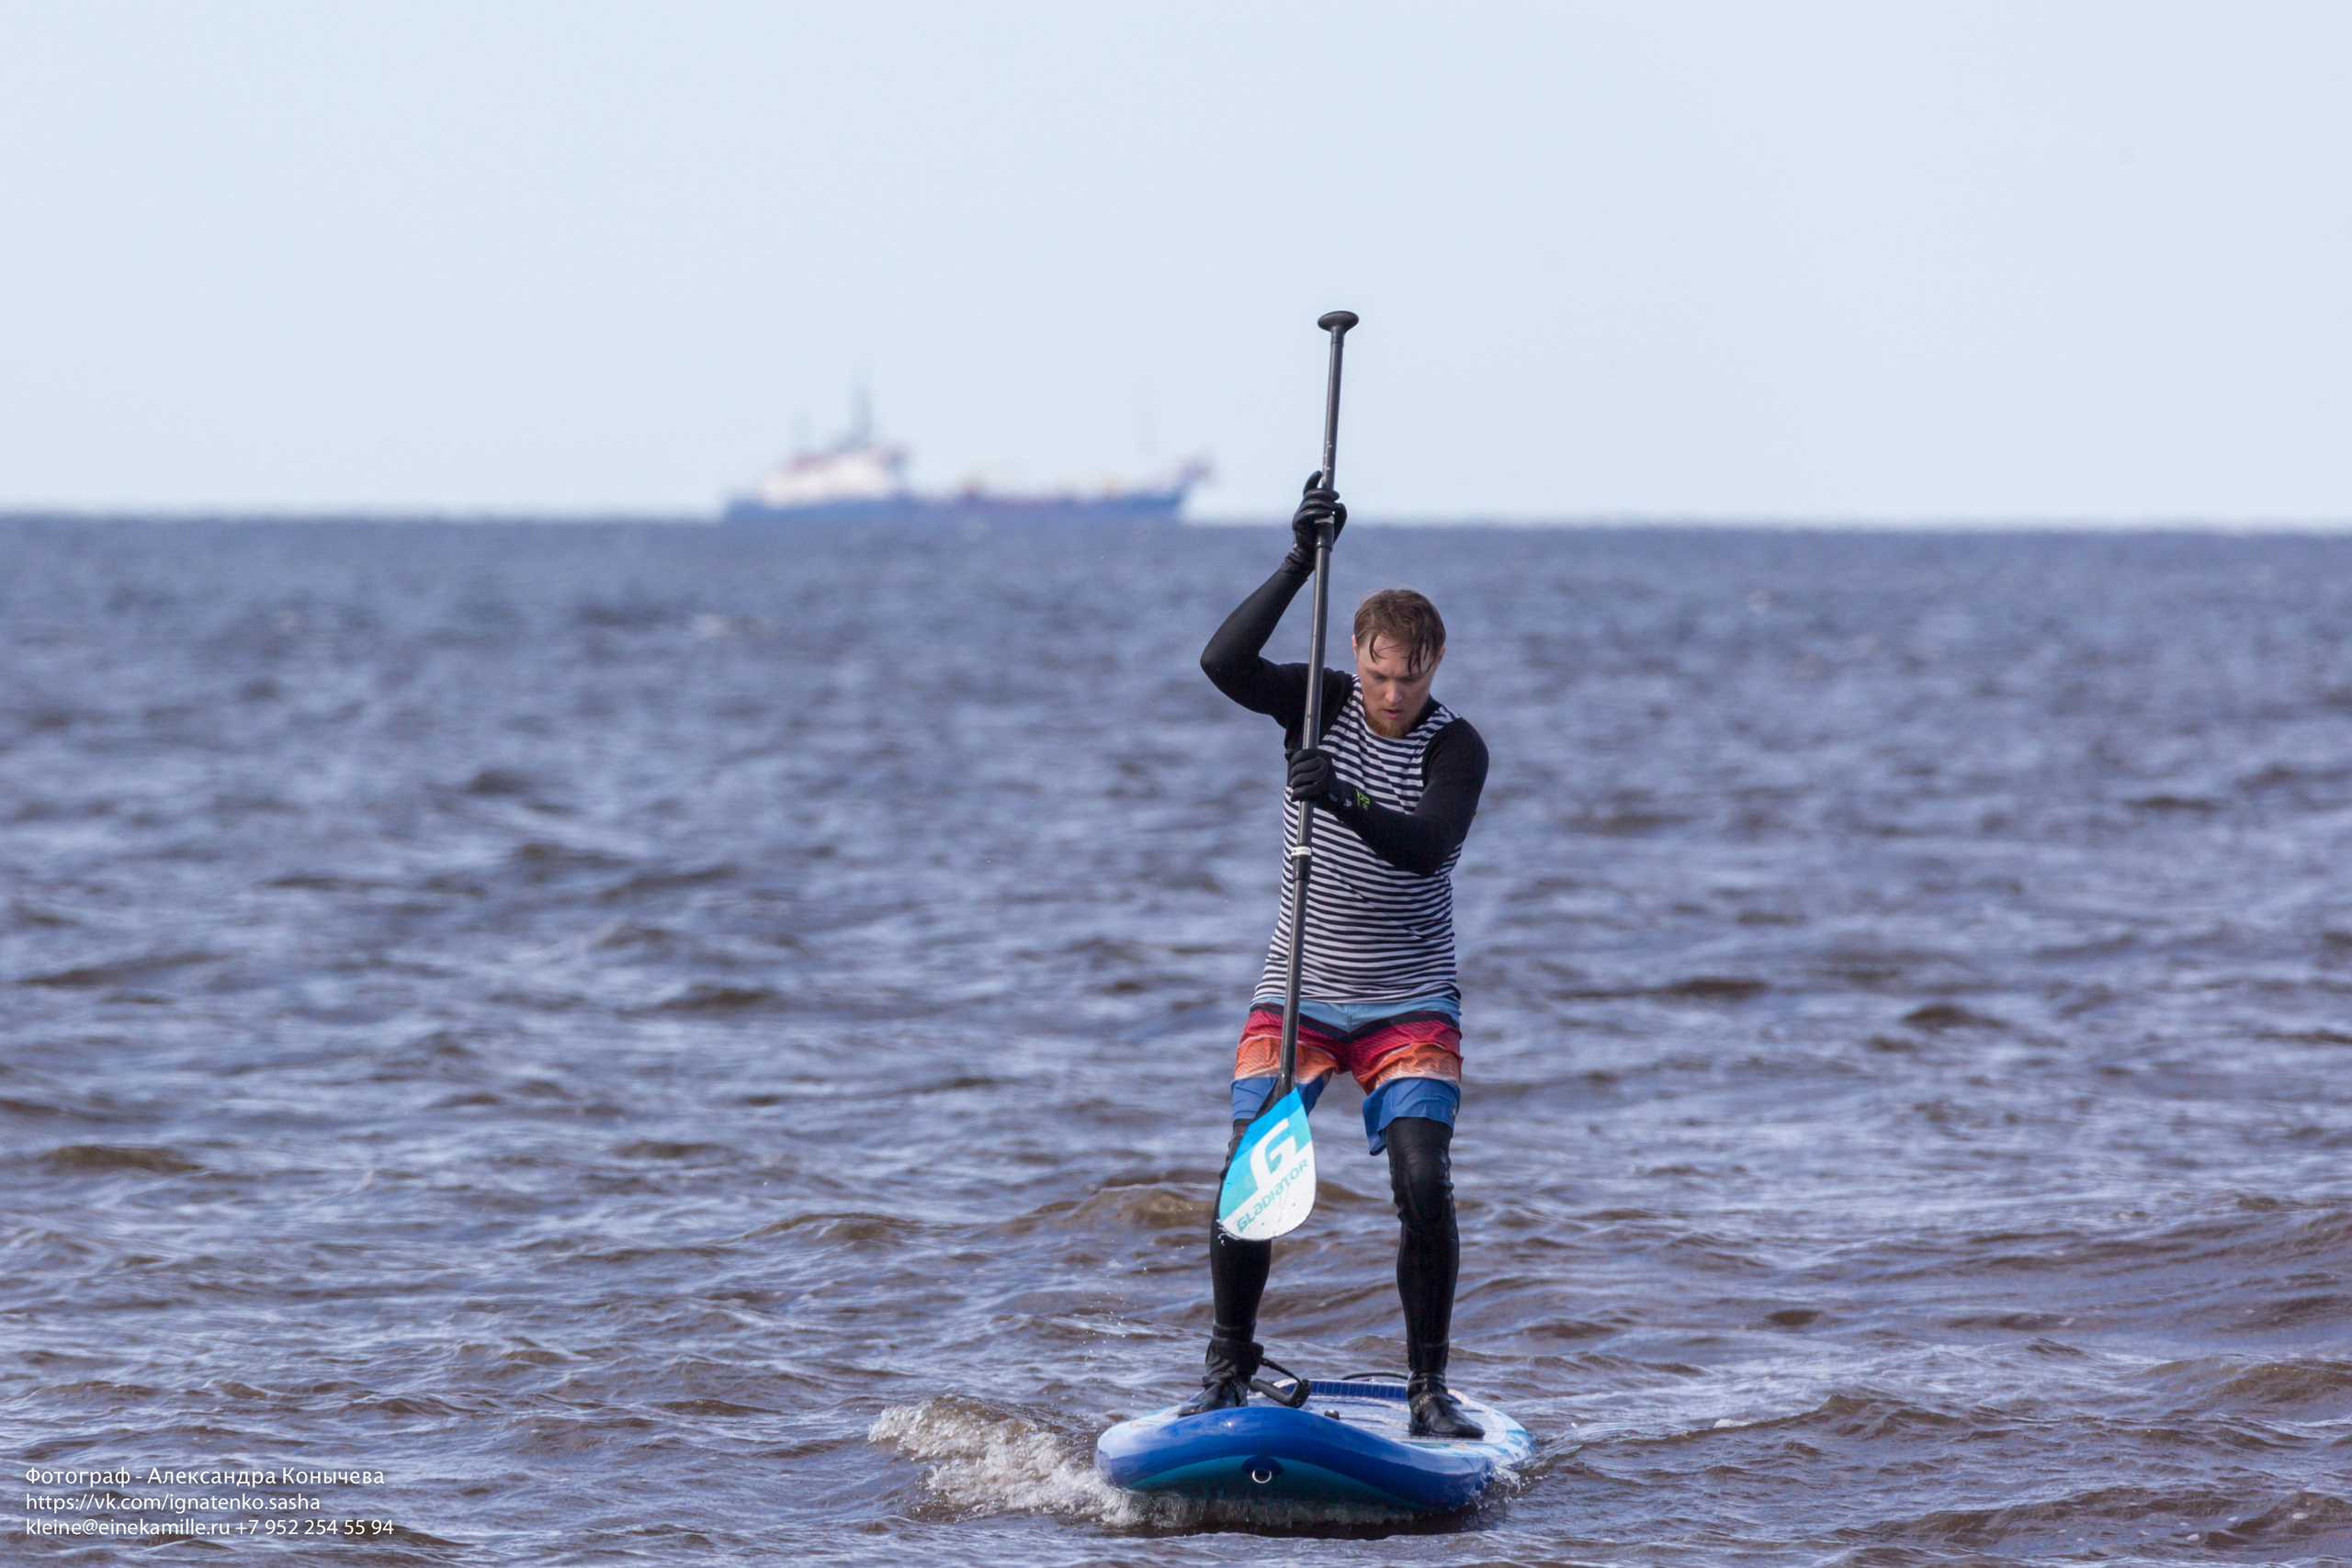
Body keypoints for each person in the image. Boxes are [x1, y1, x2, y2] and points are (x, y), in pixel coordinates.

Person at [1182, 474, 1491, 1438]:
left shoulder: (1457, 747)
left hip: (1407, 1002)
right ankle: (1227, 1367)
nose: (1394, 696)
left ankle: (1427, 1390)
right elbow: (1221, 663)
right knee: (1250, 1166)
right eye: (1382, 675)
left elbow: (1426, 843)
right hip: (1301, 991)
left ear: (1435, 666)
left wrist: (1341, 798)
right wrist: (1297, 562)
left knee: (1418, 1176)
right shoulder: (1316, 699)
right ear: (1358, 656)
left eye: (1413, 678)